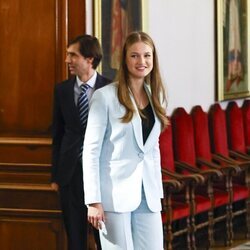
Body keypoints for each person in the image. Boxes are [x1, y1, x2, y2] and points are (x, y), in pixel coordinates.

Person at [82, 31, 169, 250]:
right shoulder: (104, 97)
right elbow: (91, 151)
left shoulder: (154, 96)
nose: (142, 61)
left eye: (147, 55)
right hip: (114, 193)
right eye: (135, 56)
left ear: (153, 59)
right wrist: (93, 201)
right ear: (124, 59)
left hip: (147, 193)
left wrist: (157, 190)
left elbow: (152, 148)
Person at [51, 34, 111, 250]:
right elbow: (57, 135)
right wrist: (56, 176)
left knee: (104, 240)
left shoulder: (111, 89)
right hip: (70, 176)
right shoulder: (62, 90)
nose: (67, 60)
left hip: (102, 177)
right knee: (75, 241)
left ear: (90, 59)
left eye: (72, 55)